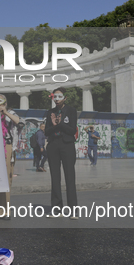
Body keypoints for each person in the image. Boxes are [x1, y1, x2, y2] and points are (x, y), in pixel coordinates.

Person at [45, 87, 78, 219]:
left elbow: (72, 130)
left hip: (67, 145)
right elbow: (46, 132)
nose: (57, 100)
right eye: (55, 97)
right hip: (53, 145)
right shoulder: (50, 112)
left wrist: (59, 124)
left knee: (70, 177)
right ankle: (56, 209)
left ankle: (73, 210)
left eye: (60, 97)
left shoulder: (71, 111)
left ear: (65, 98)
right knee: (55, 178)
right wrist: (53, 125)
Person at [0, 93, 21, 217]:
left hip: (7, 147)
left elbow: (19, 122)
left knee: (6, 178)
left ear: (5, 104)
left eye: (1, 103)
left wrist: (5, 113)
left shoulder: (11, 113)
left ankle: (4, 209)